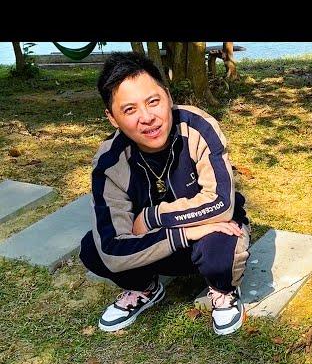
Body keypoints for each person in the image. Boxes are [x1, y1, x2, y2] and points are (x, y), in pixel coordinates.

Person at [79, 51, 250, 336]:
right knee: (93, 249)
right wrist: (184, 232)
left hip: (209, 235)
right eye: (130, 110)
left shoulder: (198, 127)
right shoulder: (110, 162)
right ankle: (144, 288)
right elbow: (111, 247)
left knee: (221, 246)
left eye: (153, 101)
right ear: (112, 118)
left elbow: (220, 203)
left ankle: (223, 290)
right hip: (160, 245)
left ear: (168, 97)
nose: (147, 118)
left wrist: (153, 216)